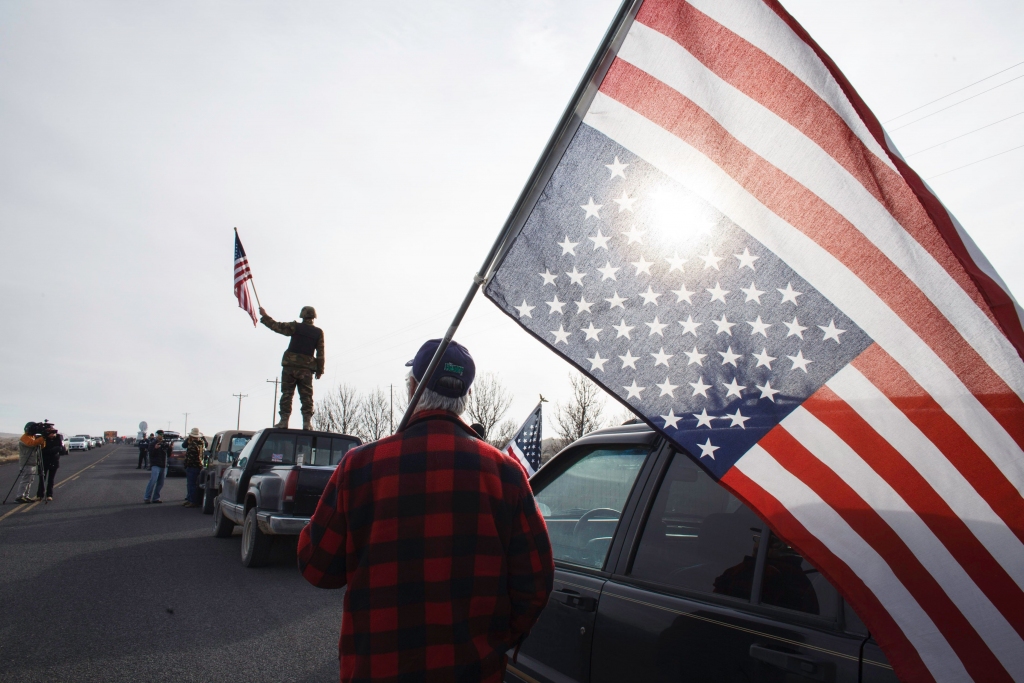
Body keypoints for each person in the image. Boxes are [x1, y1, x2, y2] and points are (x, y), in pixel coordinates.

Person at [297, 339, 554, 683]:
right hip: (472, 672)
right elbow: (536, 582)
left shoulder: (360, 466)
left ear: (414, 388)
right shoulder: (506, 473)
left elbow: (316, 567)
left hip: (377, 669)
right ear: (465, 397)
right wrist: (496, 640)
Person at [258, 305, 324, 430]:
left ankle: (284, 421)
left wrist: (265, 316)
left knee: (287, 394)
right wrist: (320, 370)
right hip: (306, 370)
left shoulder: (295, 327)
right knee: (307, 397)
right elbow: (321, 353)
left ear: (303, 315)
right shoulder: (318, 332)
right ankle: (307, 423)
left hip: (290, 368)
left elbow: (277, 326)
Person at [14, 422, 44, 503]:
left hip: (33, 462)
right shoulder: (25, 438)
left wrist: (43, 439)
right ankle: (20, 496)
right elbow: (32, 444)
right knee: (25, 480)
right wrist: (42, 438)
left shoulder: (33, 437)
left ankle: (26, 496)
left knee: (30, 480)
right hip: (26, 463)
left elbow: (41, 446)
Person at [36, 425, 63, 501]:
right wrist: (52, 451)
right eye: (51, 433)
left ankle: (49, 495)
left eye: (54, 432)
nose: (53, 434)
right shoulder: (43, 439)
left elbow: (60, 448)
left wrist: (55, 450)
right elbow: (41, 450)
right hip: (44, 461)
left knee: (51, 479)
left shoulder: (58, 438)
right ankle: (40, 494)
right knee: (42, 479)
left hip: (54, 461)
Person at [182, 428, 207, 508]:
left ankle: (192, 501)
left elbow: (190, 456)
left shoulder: (193, 444)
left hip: (192, 466)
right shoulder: (201, 443)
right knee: (194, 484)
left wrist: (186, 464)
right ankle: (191, 500)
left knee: (191, 484)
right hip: (199, 466)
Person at [144, 430, 170, 504]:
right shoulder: (152, 443)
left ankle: (156, 498)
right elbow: (151, 454)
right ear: (157, 435)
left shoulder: (164, 443)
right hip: (156, 465)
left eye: (162, 434)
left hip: (163, 465)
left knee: (160, 483)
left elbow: (168, 453)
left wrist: (170, 447)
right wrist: (155, 448)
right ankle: (147, 497)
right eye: (160, 434)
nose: (161, 436)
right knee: (153, 480)